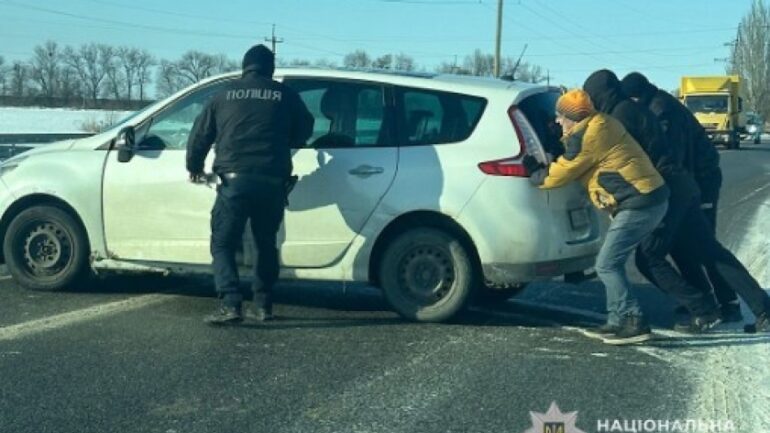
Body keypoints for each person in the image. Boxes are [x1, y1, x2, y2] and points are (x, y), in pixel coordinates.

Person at [621, 72, 770, 332]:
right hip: (690, 184)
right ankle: (715, 304)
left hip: (701, 181)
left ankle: (732, 305)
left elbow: (675, 157)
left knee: (705, 249)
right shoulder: (658, 103)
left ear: (635, 97)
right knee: (689, 246)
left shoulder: (661, 111)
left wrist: (687, 193)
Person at [523, 89, 669, 345]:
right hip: (646, 197)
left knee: (607, 264)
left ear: (573, 118)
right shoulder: (599, 123)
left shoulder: (590, 135)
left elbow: (565, 169)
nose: (557, 120)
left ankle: (633, 320)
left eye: (560, 116)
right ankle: (616, 321)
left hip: (640, 203)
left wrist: (538, 174)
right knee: (612, 263)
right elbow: (577, 153)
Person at [583, 70, 722, 334]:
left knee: (646, 257)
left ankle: (703, 308)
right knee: (690, 249)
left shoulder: (620, 117)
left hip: (660, 190)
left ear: (600, 95)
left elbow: (612, 157)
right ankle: (708, 304)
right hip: (674, 186)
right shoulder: (632, 110)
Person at [186, 44, 314, 325]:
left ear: (245, 66)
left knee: (223, 243)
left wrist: (194, 167)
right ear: (270, 69)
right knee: (265, 243)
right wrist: (286, 140)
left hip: (234, 182)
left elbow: (200, 135)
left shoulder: (223, 94)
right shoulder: (286, 95)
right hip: (272, 181)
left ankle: (231, 304)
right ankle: (263, 305)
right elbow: (306, 127)